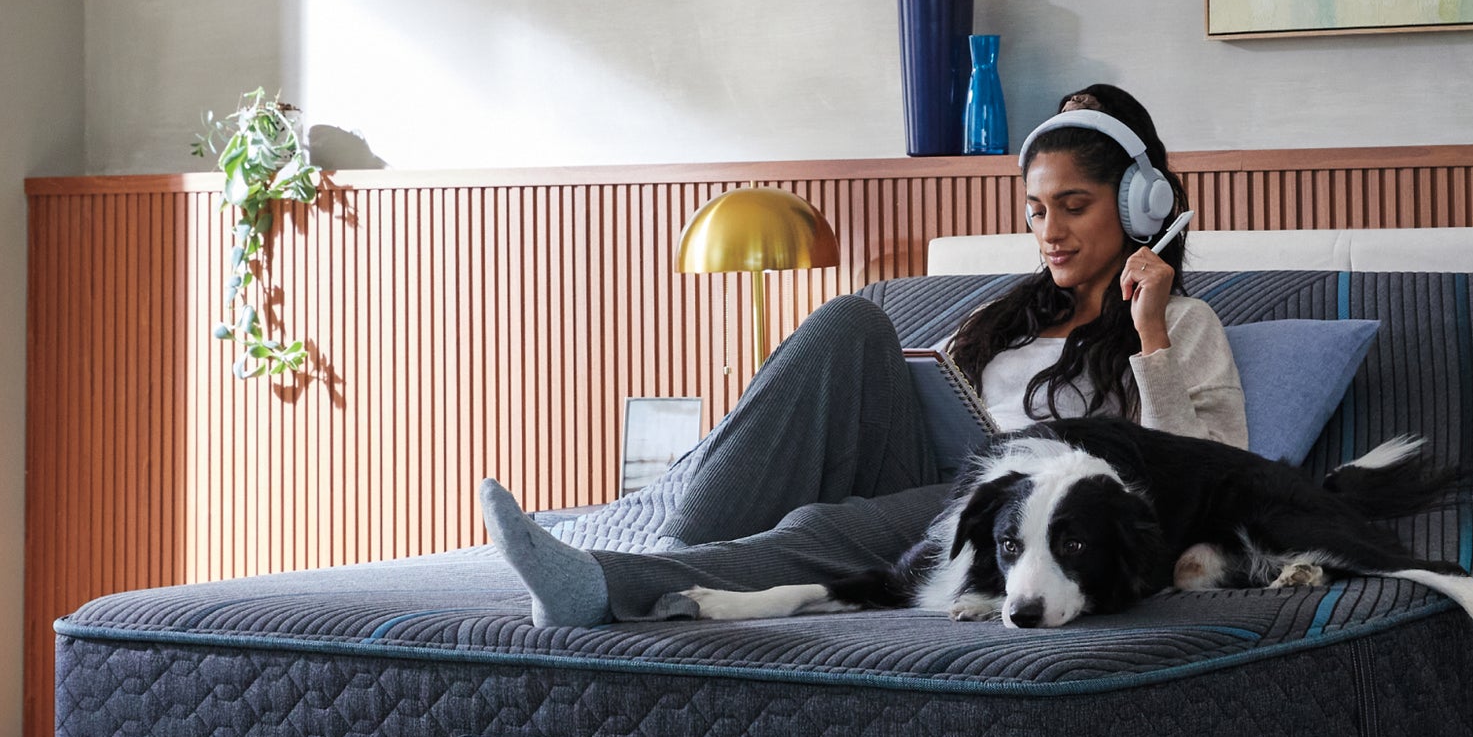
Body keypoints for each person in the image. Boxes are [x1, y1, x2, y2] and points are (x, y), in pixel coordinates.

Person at [484, 85, 1246, 625]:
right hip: (931, 471)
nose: (1050, 230)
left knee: (821, 525)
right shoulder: (997, 316)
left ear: (1142, 202)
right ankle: (675, 530)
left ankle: (606, 582)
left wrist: (1149, 330)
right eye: (1037, 209)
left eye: (1074, 205)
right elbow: (932, 396)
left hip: (1003, 500)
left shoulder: (1185, 323)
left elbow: (1203, 474)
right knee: (850, 319)